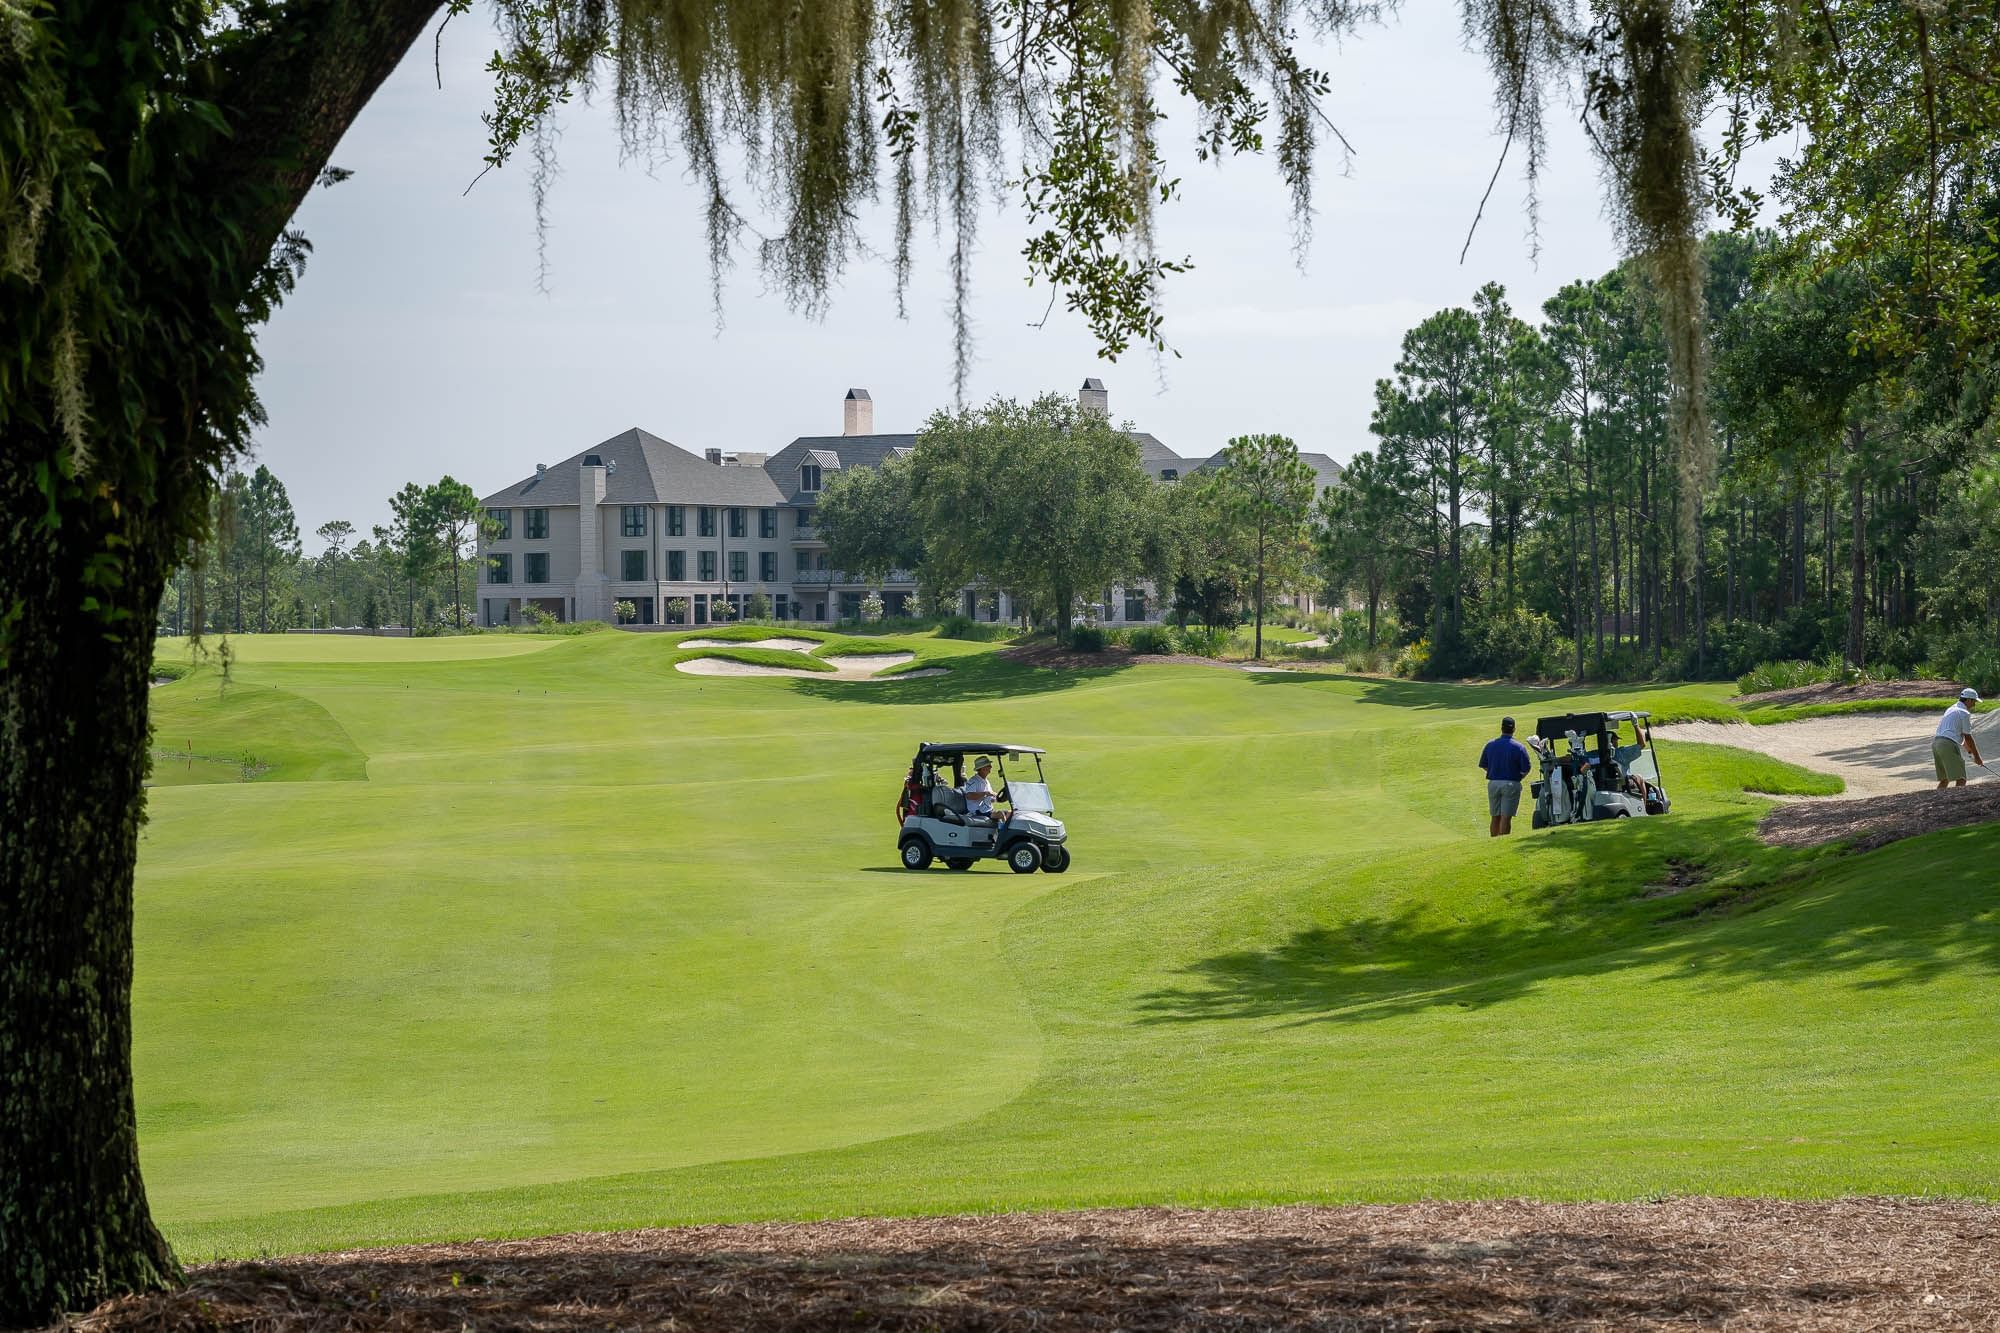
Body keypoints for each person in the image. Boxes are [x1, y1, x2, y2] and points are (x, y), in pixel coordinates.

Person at [1479, 716, 1534, 837]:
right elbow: (1526, 768)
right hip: (1511, 783)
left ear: (1501, 728)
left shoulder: (1490, 745)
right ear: (1514, 729)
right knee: (1506, 817)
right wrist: (1518, 777)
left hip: (1493, 783)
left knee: (1495, 816)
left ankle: (1493, 841)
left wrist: (1494, 771)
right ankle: (1503, 841)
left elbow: (1483, 765)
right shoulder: (1518, 747)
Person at [1933, 688, 1985, 789]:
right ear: (1968, 700)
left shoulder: (1951, 708)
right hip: (1947, 745)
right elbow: (1968, 737)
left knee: (1945, 779)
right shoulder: (1964, 713)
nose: (1974, 705)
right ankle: (1957, 803)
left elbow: (1959, 734)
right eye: (1974, 701)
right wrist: (1977, 757)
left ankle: (1937, 802)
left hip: (1936, 744)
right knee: (1961, 778)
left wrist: (1969, 752)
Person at [961, 756, 1005, 824]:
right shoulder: (973, 781)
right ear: (982, 768)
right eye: (988, 765)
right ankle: (1002, 833)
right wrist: (986, 793)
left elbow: (989, 798)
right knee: (1001, 814)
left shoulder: (986, 781)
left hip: (986, 809)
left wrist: (995, 798)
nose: (991, 767)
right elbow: (969, 796)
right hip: (977, 811)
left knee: (1010, 813)